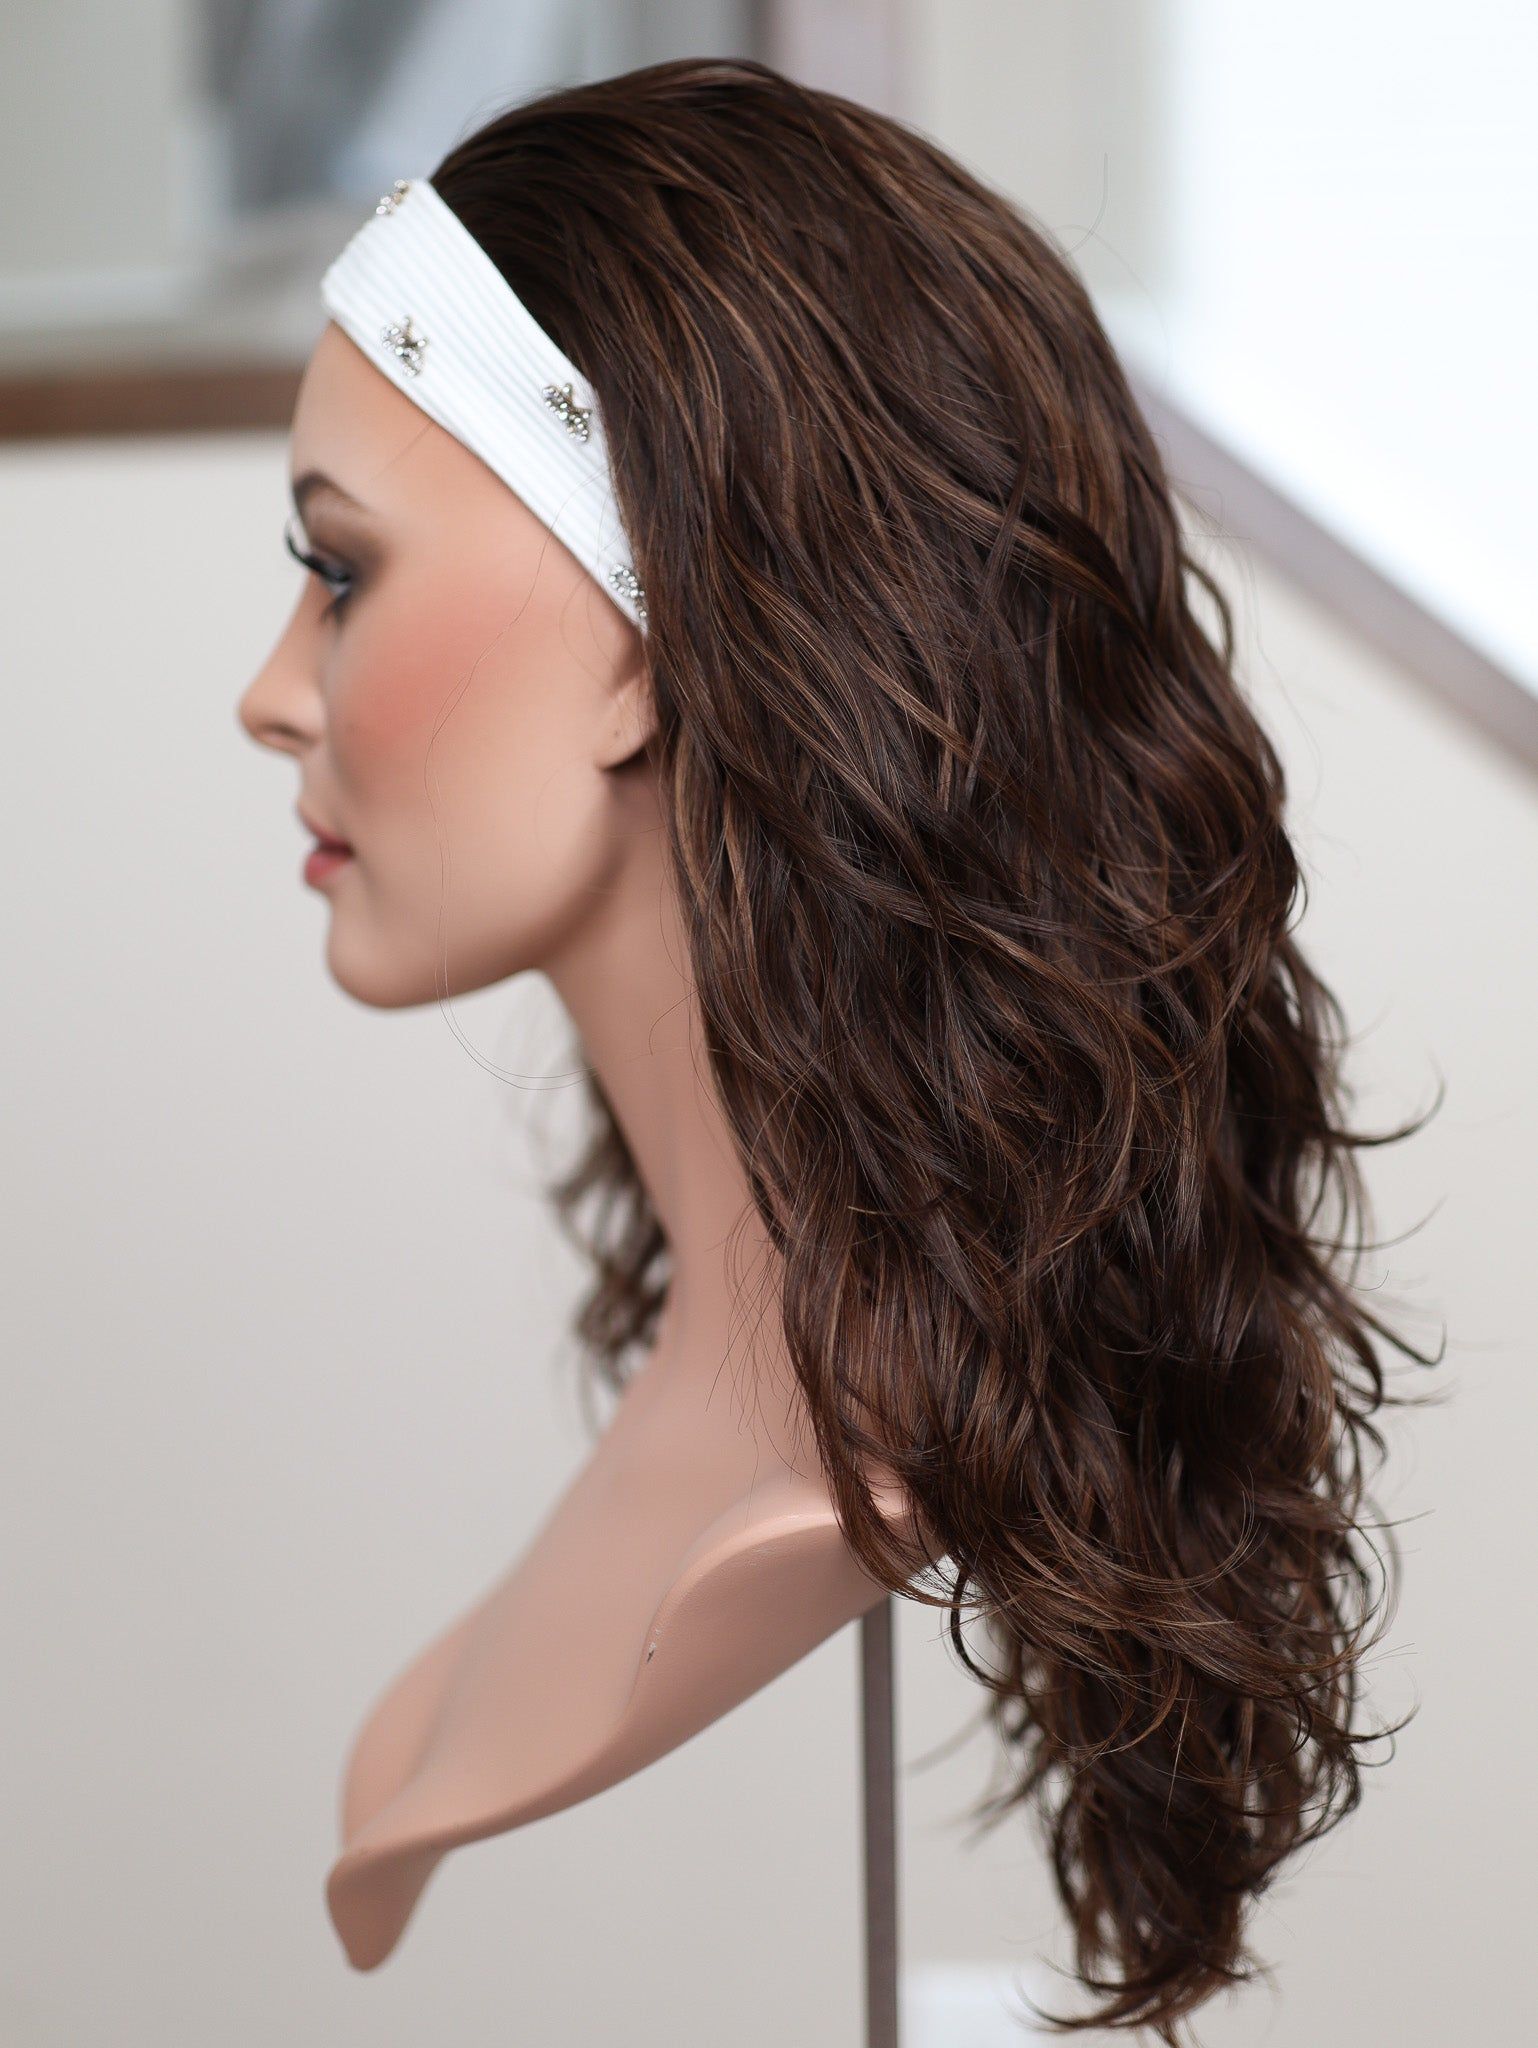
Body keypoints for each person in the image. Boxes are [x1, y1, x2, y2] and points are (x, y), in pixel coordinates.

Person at [237, 57, 1434, 2042]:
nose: (272, 695)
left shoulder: (811, 1501)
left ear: (644, 631)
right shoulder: (759, 1437)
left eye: (342, 571)